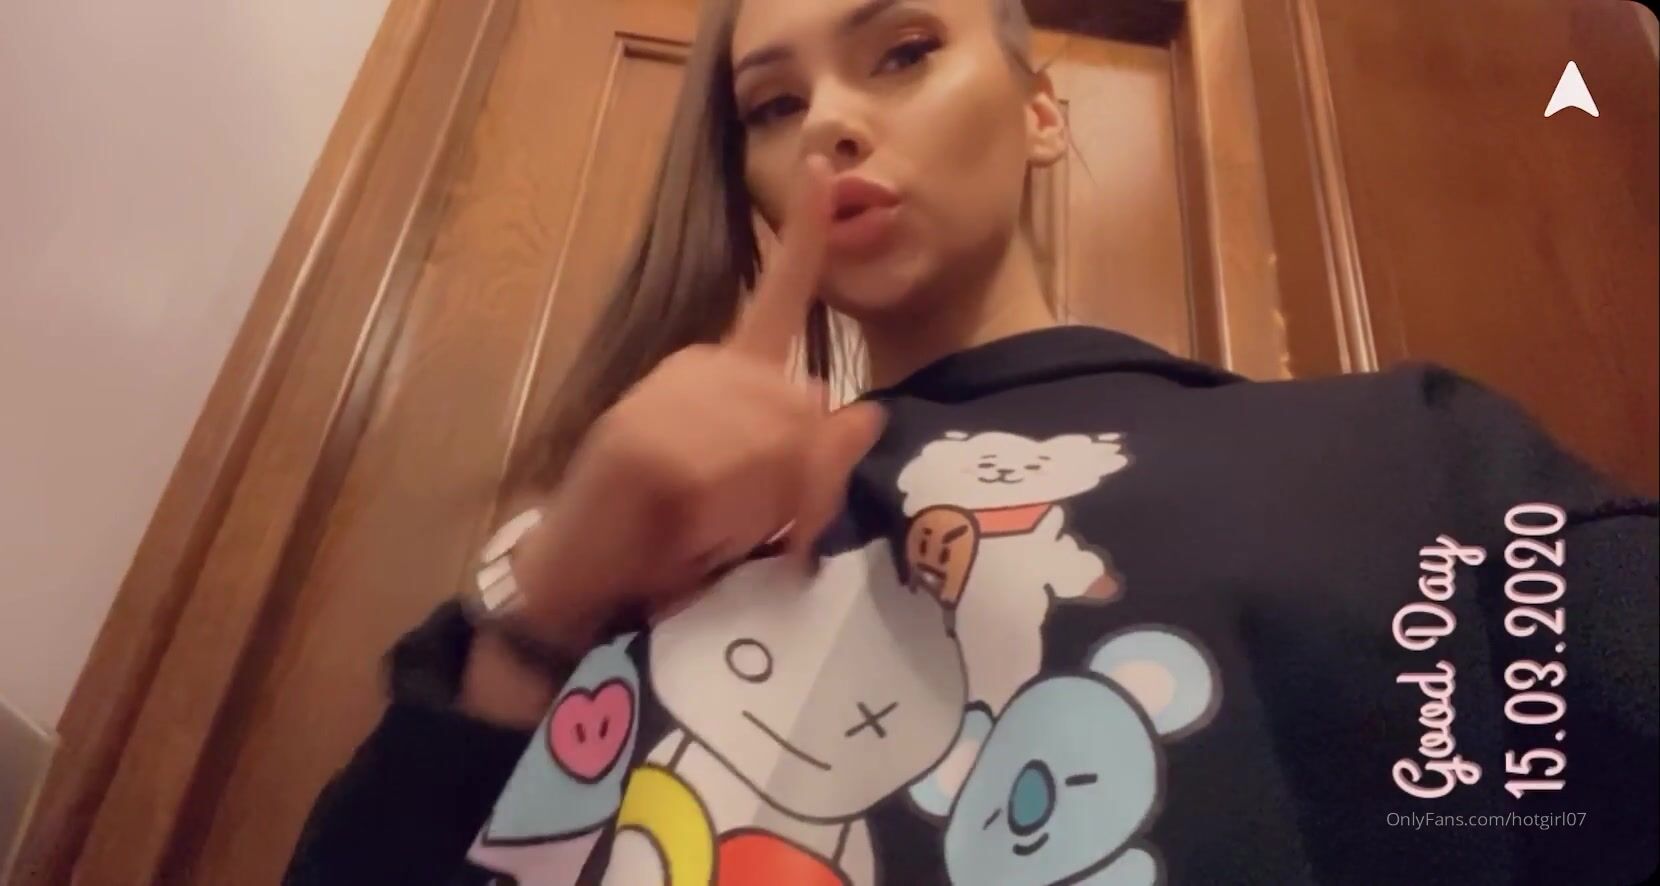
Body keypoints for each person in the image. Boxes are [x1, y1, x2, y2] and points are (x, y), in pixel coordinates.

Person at [284, 0, 1659, 883]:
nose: (831, 122)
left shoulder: (1405, 464)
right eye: (773, 106)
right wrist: (543, 617)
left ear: (1042, 114)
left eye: (902, 53)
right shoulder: (604, 560)